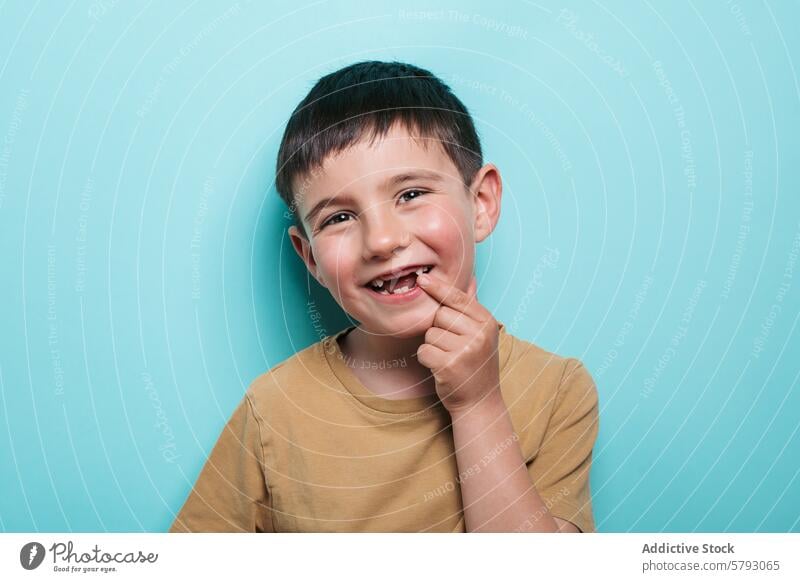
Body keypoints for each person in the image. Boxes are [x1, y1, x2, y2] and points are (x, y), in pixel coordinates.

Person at [169, 60, 599, 533]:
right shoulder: (273, 407)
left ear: (480, 204)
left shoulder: (557, 389)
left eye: (411, 194)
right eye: (338, 218)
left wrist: (478, 404)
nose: (381, 240)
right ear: (309, 257)